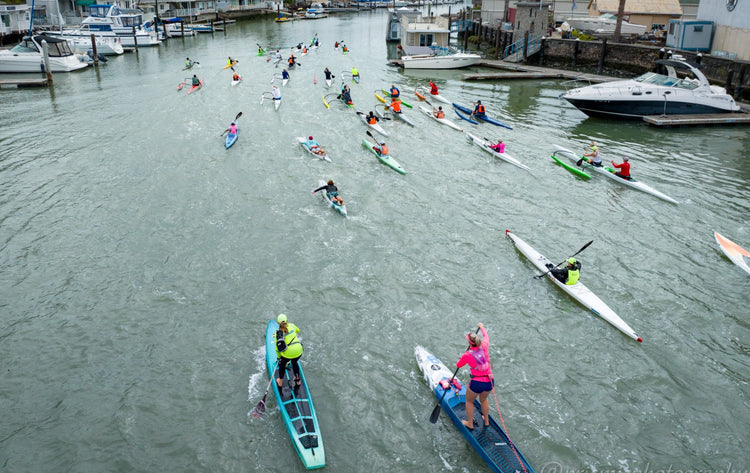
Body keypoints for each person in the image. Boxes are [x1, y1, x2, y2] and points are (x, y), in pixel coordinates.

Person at [456, 323, 493, 430]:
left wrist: (463, 357)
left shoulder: (467, 354)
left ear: (469, 343)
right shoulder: (485, 345)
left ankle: (470, 424)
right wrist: (481, 327)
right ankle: (486, 421)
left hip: (477, 383)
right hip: (489, 381)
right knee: (483, 399)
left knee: (469, 401)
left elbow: (458, 365)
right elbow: (486, 336)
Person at [273, 314, 303, 389]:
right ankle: (297, 380)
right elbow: (298, 330)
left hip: (287, 354)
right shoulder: (292, 325)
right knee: (294, 362)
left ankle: (280, 381)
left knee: (282, 365)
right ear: (287, 320)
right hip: (299, 351)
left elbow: (277, 349)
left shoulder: (278, 334)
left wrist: (279, 358)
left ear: (278, 323)